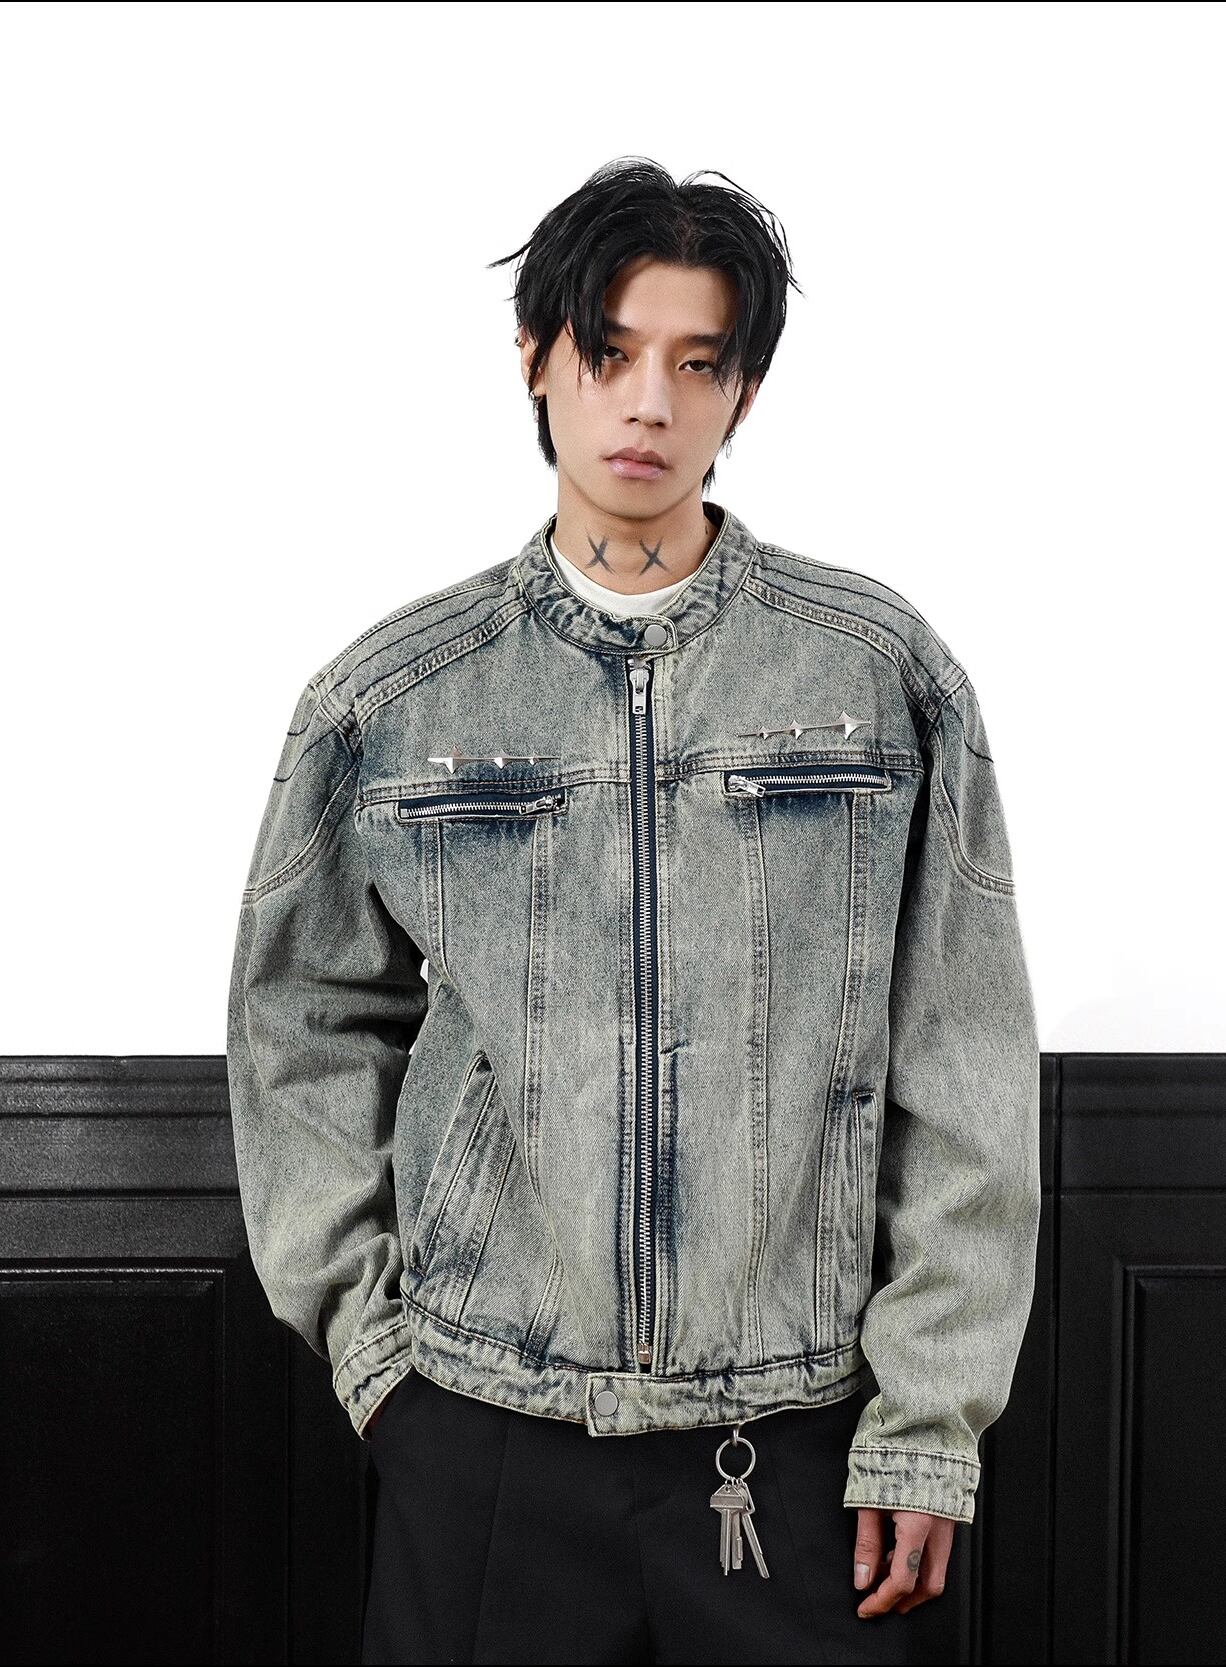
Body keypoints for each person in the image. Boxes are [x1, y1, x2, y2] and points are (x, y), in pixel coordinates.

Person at [226, 157, 1041, 1666]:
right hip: (483, 1426)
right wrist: (374, 1356)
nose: (648, 404)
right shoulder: (395, 697)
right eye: (607, 353)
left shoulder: (880, 677)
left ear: (744, 394)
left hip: (800, 1440)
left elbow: (962, 1048)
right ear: (535, 362)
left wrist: (927, 1422)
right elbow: (300, 1028)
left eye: (696, 363)